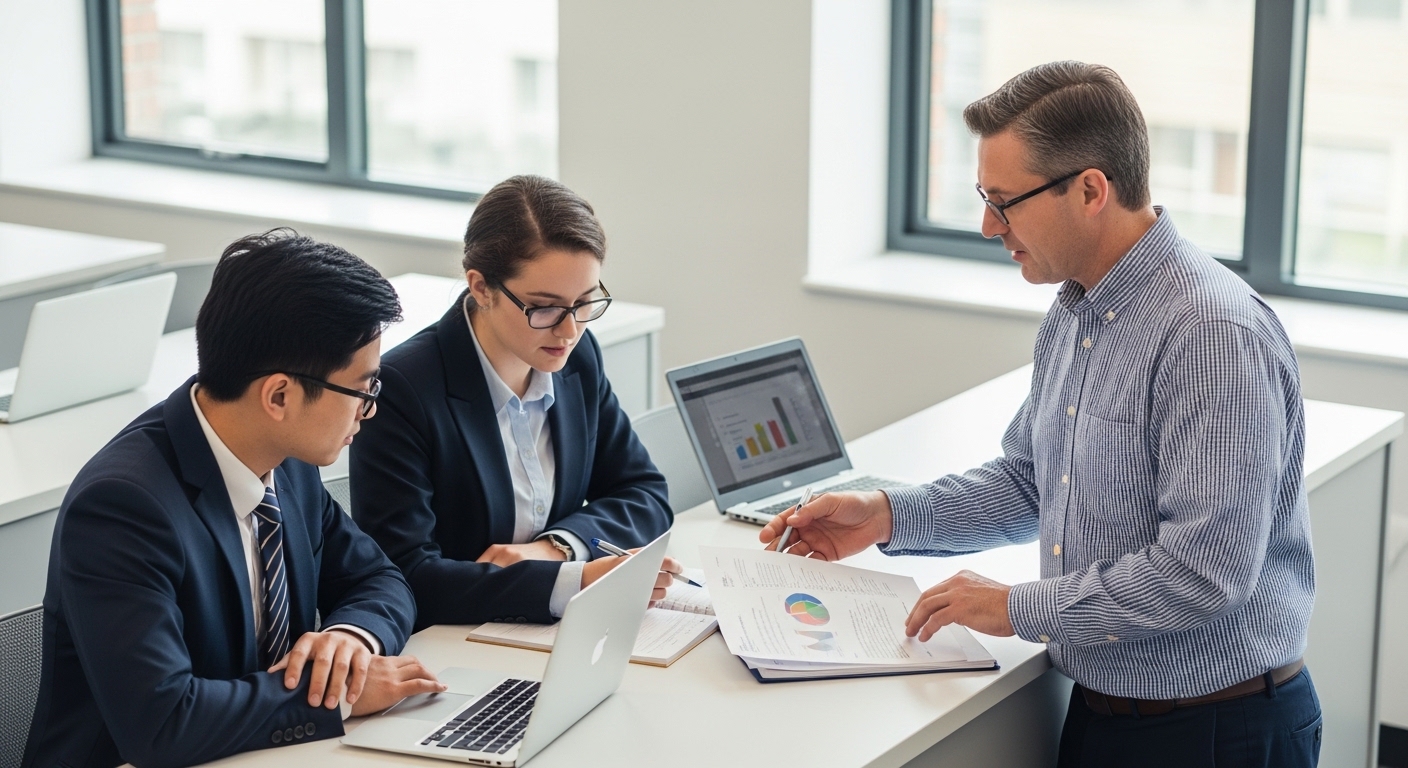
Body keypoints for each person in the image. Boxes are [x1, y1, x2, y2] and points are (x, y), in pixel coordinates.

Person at [761, 62, 1321, 767]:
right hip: (1105, 713)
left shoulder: (1210, 335)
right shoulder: (1077, 310)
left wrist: (1019, 607)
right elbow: (1033, 480)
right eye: (982, 197)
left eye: (1005, 201)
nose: (989, 225)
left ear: (1091, 190)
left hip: (1212, 732)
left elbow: (1204, 571)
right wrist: (886, 515)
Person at [23, 230, 445, 768]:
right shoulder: (121, 507)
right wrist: (337, 697)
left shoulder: (286, 456)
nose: (370, 409)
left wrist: (349, 642)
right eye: (363, 391)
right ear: (279, 395)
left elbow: (379, 578)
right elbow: (162, 722)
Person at [351, 175, 676, 628]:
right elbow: (403, 575)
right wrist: (571, 581)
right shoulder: (405, 389)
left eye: (585, 302)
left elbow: (644, 494)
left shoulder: (578, 358)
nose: (569, 330)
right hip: (456, 640)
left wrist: (555, 549)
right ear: (481, 287)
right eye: (544, 308)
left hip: (553, 630)